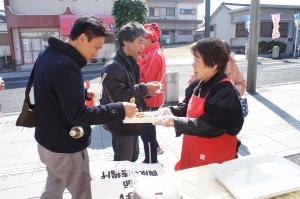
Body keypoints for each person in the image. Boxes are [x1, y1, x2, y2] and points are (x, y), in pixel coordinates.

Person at [34, 16, 137, 199]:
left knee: (53, 188)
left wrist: (81, 94)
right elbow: (78, 115)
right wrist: (119, 108)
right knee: (84, 194)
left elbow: (52, 91)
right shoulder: (66, 65)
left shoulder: (48, 54)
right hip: (66, 147)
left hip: (47, 142)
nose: (96, 54)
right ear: (82, 38)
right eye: (96, 47)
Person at [155, 38, 244, 170]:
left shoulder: (225, 91)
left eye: (197, 60)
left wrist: (175, 122)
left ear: (214, 65)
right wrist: (171, 111)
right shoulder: (199, 84)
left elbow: (209, 126)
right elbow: (187, 108)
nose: (193, 65)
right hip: (193, 152)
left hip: (214, 161)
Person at [101, 22, 161, 162]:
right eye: (140, 42)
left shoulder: (130, 61)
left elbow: (129, 88)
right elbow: (118, 98)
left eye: (144, 42)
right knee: (124, 163)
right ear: (125, 42)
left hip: (130, 122)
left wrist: (146, 90)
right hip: (121, 125)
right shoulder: (113, 66)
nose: (143, 46)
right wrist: (145, 89)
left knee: (132, 158)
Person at [137, 23, 166, 163]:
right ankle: (152, 155)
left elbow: (145, 80)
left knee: (146, 131)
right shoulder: (154, 52)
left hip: (150, 99)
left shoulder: (153, 55)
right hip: (154, 98)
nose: (141, 43)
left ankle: (151, 160)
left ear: (149, 40)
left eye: (143, 40)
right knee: (148, 130)